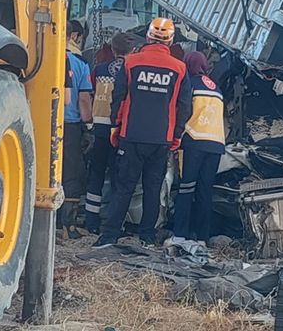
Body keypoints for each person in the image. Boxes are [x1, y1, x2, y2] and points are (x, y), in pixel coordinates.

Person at [94, 18, 192, 248]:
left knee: (123, 187)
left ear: (148, 37)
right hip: (162, 139)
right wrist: (176, 136)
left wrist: (115, 127)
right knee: (153, 188)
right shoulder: (179, 69)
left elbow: (118, 98)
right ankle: (147, 236)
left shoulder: (130, 63)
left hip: (131, 135)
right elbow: (185, 106)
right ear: (171, 40)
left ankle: (109, 236)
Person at [166, 51, 226, 247]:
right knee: (205, 191)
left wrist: (175, 137)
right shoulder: (216, 87)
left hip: (193, 141)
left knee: (186, 188)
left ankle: (180, 235)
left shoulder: (188, 84)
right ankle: (202, 237)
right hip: (216, 144)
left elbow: (182, 111)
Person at [84, 32, 136, 234]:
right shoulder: (132, 70)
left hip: (100, 127)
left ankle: (91, 221)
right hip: (120, 128)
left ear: (112, 50)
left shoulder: (99, 69)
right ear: (131, 51)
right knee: (118, 176)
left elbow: (92, 93)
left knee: (96, 173)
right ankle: (114, 223)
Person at [62, 20, 93, 239]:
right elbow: (83, 99)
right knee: (71, 174)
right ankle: (68, 226)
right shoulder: (80, 64)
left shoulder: (36, 56)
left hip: (38, 124)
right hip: (70, 126)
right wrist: (89, 124)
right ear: (73, 36)